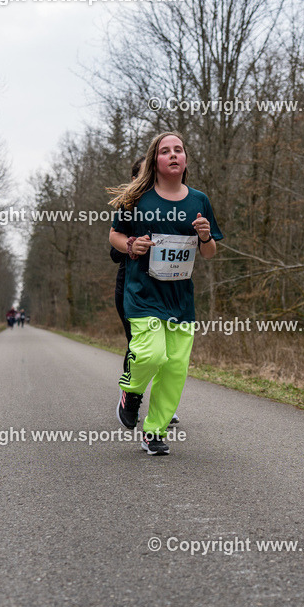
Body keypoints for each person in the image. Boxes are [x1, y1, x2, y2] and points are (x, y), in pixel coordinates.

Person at [108, 131, 223, 455]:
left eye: (179, 150)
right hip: (142, 293)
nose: (173, 154)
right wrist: (131, 245)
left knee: (174, 368)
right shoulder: (137, 198)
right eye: (165, 151)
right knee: (151, 354)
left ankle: (153, 432)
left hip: (180, 299)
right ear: (154, 160)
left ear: (185, 159)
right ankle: (131, 390)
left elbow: (209, 253)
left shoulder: (199, 200)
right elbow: (115, 235)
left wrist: (205, 237)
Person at [110, 159, 180, 427]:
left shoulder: (172, 204)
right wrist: (133, 245)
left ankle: (162, 405)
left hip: (168, 288)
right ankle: (131, 396)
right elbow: (114, 251)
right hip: (133, 286)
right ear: (135, 179)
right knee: (140, 346)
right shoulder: (130, 206)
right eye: (144, 174)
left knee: (167, 350)